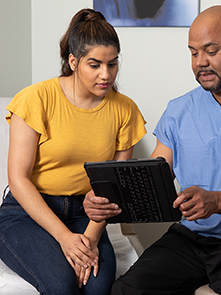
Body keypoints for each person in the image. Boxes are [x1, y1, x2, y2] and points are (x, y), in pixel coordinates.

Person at [83, 5, 221, 295]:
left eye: (211, 51)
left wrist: (220, 201)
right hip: (193, 239)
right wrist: (105, 200)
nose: (201, 63)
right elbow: (149, 183)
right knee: (127, 290)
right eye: (194, 52)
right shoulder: (180, 110)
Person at [0, 8, 146, 295]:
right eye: (95, 65)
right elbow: (18, 179)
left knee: (97, 287)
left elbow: (113, 187)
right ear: (73, 61)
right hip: (28, 213)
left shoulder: (125, 109)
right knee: (62, 285)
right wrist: (65, 238)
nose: (106, 74)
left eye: (112, 64)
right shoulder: (36, 99)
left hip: (87, 213)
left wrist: (89, 238)